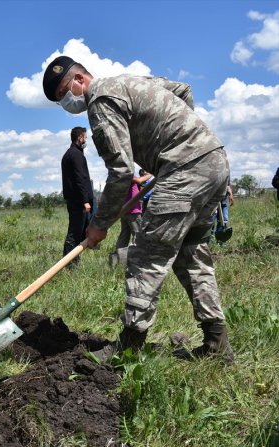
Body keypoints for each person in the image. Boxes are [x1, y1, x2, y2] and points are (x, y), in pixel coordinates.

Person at [43, 56, 234, 363]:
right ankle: (217, 344)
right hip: (214, 160)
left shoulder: (100, 101)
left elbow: (120, 171)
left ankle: (129, 347)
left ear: (79, 80)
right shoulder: (129, 81)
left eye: (64, 93)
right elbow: (183, 90)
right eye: (60, 100)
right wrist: (184, 139)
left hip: (185, 169)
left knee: (146, 255)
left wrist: (99, 223)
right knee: (192, 254)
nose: (66, 102)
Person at [61, 126, 95, 266]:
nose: (86, 140)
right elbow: (79, 179)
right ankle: (69, 264)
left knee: (80, 232)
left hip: (76, 200)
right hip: (78, 201)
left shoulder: (72, 154)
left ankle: (74, 261)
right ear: (80, 138)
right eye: (85, 138)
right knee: (74, 233)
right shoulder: (75, 155)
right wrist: (85, 201)